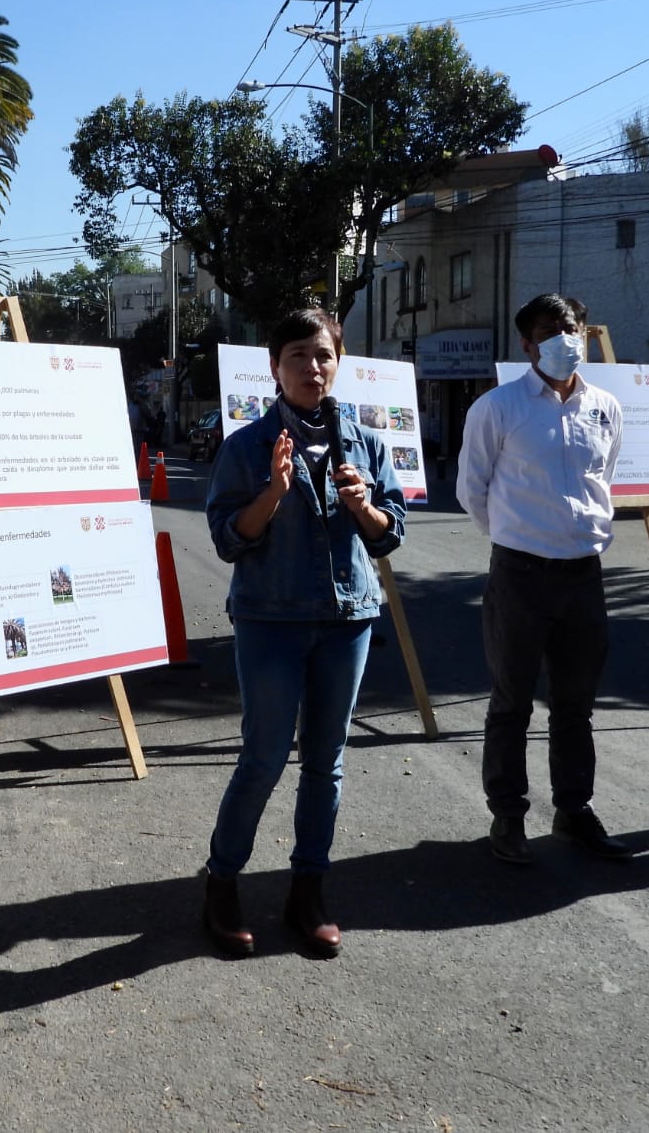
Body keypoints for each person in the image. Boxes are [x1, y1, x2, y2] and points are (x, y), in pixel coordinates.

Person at [201, 308, 405, 959]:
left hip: (347, 620)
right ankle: (223, 882)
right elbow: (228, 538)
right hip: (269, 619)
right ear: (274, 367)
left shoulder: (366, 442)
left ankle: (307, 889)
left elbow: (390, 531)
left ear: (338, 361)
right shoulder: (245, 447)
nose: (311, 368)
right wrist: (272, 492)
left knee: (327, 761)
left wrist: (362, 505)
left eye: (322, 355)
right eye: (297, 356)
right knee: (263, 757)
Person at [458, 293, 629, 865]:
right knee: (511, 701)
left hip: (584, 575)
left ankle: (573, 810)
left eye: (573, 326)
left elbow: (604, 477)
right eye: (550, 330)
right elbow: (472, 491)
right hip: (521, 574)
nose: (566, 337)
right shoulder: (497, 408)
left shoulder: (604, 405)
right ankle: (508, 816)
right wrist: (519, 536)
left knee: (575, 703)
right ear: (527, 344)